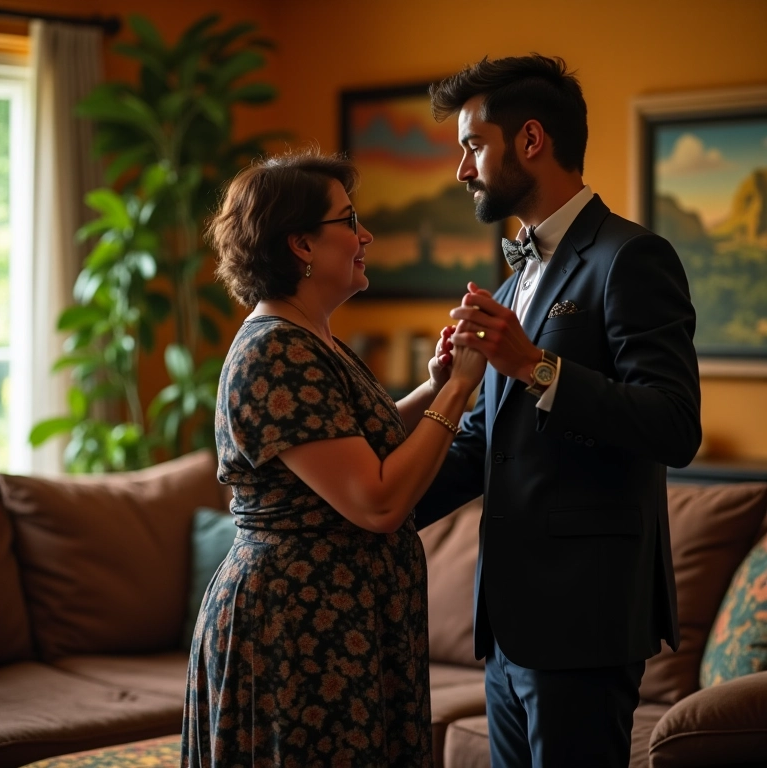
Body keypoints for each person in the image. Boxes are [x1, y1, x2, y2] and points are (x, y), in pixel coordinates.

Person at [415, 54, 702, 768]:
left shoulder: (633, 258)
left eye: (472, 145)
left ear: (531, 140)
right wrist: (369, 508)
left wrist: (534, 365)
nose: (462, 169)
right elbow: (485, 444)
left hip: (586, 623)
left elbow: (674, 424)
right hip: (507, 627)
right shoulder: (515, 286)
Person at [180, 148, 486, 767]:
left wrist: (434, 385)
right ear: (301, 245)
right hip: (298, 635)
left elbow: (357, 447)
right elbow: (375, 500)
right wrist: (458, 394)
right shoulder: (273, 352)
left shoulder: (312, 340)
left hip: (342, 624)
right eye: (348, 221)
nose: (364, 234)